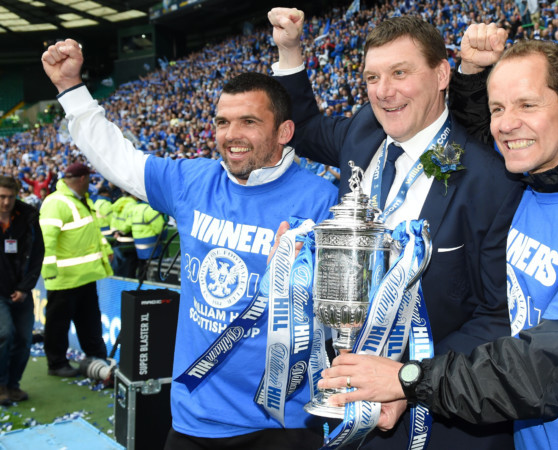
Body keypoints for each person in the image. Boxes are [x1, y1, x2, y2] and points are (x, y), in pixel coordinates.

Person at [319, 39, 558, 449]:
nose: (507, 124)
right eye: (498, 109)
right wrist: (471, 71)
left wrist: (409, 379)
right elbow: (467, 134)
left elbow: (551, 368)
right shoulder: (529, 182)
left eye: (528, 105)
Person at [42, 39, 338, 448]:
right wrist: (71, 89)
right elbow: (118, 158)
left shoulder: (321, 200)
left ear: (284, 131)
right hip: (193, 418)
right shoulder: (192, 181)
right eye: (221, 122)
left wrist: (297, 286)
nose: (231, 135)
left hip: (281, 424)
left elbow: (341, 323)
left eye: (249, 122)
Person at [269, 10, 523, 449]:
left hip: (444, 422)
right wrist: (306, 262)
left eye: (400, 73)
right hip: (350, 406)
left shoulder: (493, 178)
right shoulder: (364, 133)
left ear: (442, 74)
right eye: (372, 77)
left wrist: (410, 381)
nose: (384, 92)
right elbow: (305, 128)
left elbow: (499, 317)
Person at [39, 162, 112, 377]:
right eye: (89, 178)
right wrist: (50, 271)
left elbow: (92, 233)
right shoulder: (57, 202)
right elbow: (47, 239)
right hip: (64, 278)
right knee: (58, 324)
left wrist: (105, 249)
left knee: (89, 320)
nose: (91, 183)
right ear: (83, 179)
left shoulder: (81, 201)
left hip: (85, 275)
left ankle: (97, 357)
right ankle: (56, 363)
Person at [0, 176, 43, 404]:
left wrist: (25, 287)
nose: (6, 202)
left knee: (25, 339)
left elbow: (37, 253)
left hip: (21, 290)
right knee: (5, 333)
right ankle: (0, 384)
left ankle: (13, 385)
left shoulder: (28, 216)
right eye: (1, 197)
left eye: (10, 197)